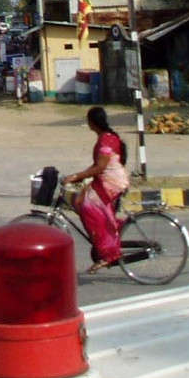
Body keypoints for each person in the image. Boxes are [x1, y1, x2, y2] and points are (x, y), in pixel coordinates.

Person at [65, 106, 131, 271]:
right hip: (104, 180)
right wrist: (80, 176)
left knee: (89, 207)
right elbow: (97, 166)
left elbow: (100, 167)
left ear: (91, 122)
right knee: (79, 200)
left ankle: (109, 253)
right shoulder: (105, 137)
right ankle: (110, 230)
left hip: (112, 182)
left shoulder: (106, 141)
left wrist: (77, 176)